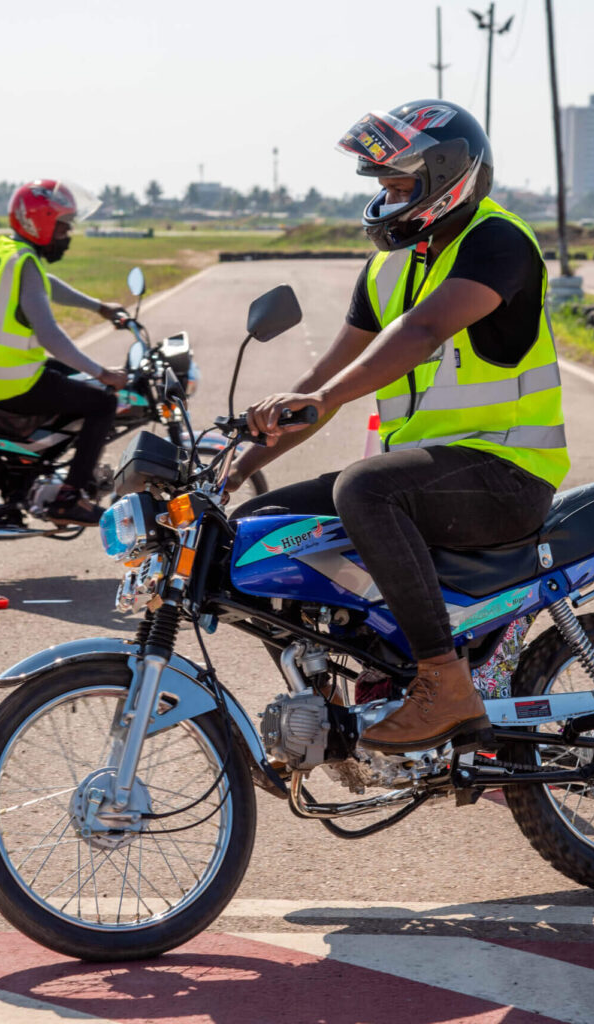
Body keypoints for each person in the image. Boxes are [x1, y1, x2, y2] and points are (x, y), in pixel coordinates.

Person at [227, 100, 569, 755]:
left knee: (362, 490)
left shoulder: (497, 243)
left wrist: (322, 395)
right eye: (382, 186)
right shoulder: (389, 268)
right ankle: (343, 706)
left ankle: (444, 683)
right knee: (258, 530)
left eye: (399, 185)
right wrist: (234, 465)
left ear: (448, 176)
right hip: (429, 476)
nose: (387, 199)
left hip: (506, 476)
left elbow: (422, 330)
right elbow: (323, 384)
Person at [0, 178, 129, 525]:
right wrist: (102, 373)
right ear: (42, 223)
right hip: (10, 383)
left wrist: (98, 307)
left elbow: (43, 286)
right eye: (64, 227)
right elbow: (51, 337)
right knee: (103, 401)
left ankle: (39, 465)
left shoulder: (7, 251)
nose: (68, 235)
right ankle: (70, 498)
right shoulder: (26, 263)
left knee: (76, 381)